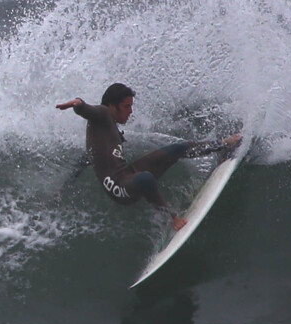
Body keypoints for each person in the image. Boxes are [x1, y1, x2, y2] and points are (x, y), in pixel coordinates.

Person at [56, 83, 240, 231]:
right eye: (126, 106)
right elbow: (88, 110)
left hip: (126, 174)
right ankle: (171, 219)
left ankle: (222, 145)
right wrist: (78, 104)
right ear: (112, 106)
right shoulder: (103, 113)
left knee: (177, 148)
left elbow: (88, 157)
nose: (130, 111)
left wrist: (68, 182)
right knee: (146, 179)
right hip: (119, 188)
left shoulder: (104, 129)